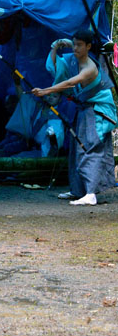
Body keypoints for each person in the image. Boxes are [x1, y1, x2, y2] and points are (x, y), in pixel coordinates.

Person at [32, 32, 118, 206]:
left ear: (88, 46)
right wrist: (55, 47)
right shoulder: (73, 60)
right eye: (74, 44)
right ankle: (79, 190)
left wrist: (46, 91)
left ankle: (91, 193)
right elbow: (55, 68)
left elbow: (71, 83)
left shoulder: (90, 67)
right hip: (84, 109)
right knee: (77, 148)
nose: (76, 48)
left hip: (98, 111)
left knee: (90, 148)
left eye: (80, 45)